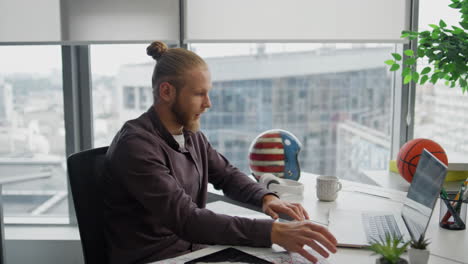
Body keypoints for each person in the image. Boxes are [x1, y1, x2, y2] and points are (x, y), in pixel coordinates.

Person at [103, 41, 338, 264]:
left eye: (208, 93)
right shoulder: (136, 146)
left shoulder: (190, 134)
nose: (208, 103)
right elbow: (186, 219)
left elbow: (226, 175)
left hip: (192, 250)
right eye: (199, 94)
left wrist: (265, 198)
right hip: (155, 258)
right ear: (166, 92)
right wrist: (272, 231)